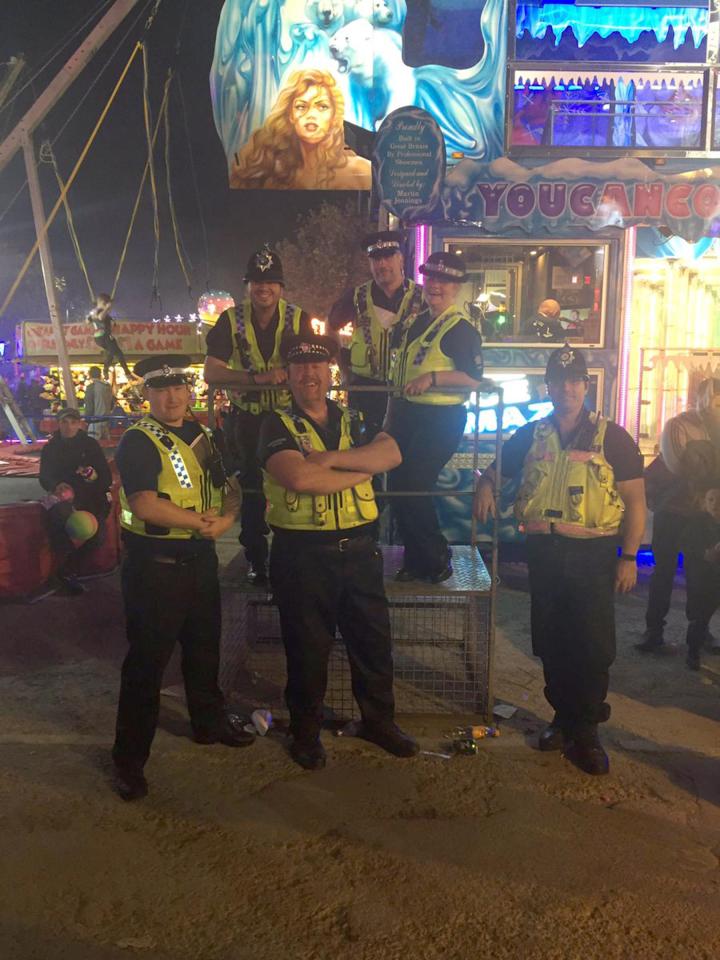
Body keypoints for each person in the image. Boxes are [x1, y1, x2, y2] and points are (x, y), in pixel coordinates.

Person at [474, 346, 646, 776]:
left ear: (585, 387)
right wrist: (485, 485)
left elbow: (637, 503)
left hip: (594, 555)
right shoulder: (531, 434)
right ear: (547, 387)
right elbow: (498, 469)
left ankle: (586, 731)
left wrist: (629, 557)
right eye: (558, 382)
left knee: (592, 645)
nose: (567, 389)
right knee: (551, 640)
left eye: (575, 382)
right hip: (546, 554)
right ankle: (561, 719)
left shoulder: (613, 437)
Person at [258, 332, 418, 771]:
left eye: (317, 365)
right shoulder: (275, 425)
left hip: (362, 550)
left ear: (331, 371)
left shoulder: (354, 418)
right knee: (307, 649)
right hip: (304, 556)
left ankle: (378, 722)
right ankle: (305, 734)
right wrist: (359, 469)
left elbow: (392, 453)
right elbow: (301, 480)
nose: (310, 374)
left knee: (373, 643)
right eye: (300, 367)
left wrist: (328, 460)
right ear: (287, 376)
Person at [112, 355, 253, 802]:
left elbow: (229, 487)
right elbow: (145, 502)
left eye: (179, 389)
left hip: (200, 561)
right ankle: (129, 761)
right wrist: (200, 524)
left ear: (189, 392)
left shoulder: (204, 434)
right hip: (155, 568)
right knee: (146, 666)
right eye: (161, 390)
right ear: (147, 395)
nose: (171, 398)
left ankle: (208, 725)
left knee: (204, 652)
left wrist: (227, 520)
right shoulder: (137, 441)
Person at [204, 246, 313, 585]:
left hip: (287, 419)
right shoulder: (229, 320)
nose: (263, 288)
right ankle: (257, 561)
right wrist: (256, 380)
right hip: (246, 421)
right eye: (256, 282)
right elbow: (211, 373)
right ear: (247, 286)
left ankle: (293, 555)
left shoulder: (299, 318)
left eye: (270, 281)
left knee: (292, 485)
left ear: (281, 287)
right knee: (251, 490)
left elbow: (311, 367)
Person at [385, 251, 484, 583]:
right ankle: (416, 560)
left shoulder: (461, 329)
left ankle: (436, 554)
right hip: (409, 416)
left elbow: (473, 379)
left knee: (413, 484)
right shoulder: (421, 321)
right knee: (399, 486)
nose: (436, 286)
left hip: (441, 419)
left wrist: (433, 379)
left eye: (444, 281)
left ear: (457, 287)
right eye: (432, 279)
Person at [637, 378, 720, 654]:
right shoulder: (679, 425)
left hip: (702, 516)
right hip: (673, 511)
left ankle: (699, 630)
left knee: (702, 575)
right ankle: (654, 629)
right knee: (664, 572)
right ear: (703, 398)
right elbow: (682, 467)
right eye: (715, 399)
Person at [328, 230, 424, 439]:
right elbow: (331, 326)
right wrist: (344, 370)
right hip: (365, 390)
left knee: (404, 450)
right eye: (375, 259)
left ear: (400, 259)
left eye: (388, 257)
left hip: (406, 390)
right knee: (363, 449)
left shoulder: (421, 297)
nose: (382, 265)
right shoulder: (356, 296)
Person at [230, 69, 370, 190]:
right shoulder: (269, 167)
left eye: (322, 106)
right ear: (290, 115)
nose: (311, 115)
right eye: (301, 106)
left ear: (334, 115)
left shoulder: (361, 171)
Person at [39, 407, 113, 595]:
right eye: (65, 421)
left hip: (90, 497)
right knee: (58, 520)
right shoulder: (50, 448)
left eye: (73, 422)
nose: (69, 426)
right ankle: (59, 572)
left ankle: (69, 569)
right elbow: (44, 476)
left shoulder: (91, 445)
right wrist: (57, 484)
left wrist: (91, 475)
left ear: (80, 424)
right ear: (59, 423)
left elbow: (105, 478)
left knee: (97, 536)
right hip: (62, 499)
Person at [682, 480, 720, 671]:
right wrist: (705, 553)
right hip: (702, 577)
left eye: (718, 500)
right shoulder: (697, 523)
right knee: (700, 615)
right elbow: (689, 546)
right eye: (711, 500)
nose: (715, 504)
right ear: (704, 502)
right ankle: (693, 651)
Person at [87, 293, 133, 381]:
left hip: (104, 337)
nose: (107, 307)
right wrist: (106, 309)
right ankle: (106, 369)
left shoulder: (95, 312)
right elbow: (100, 318)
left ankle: (126, 372)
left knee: (118, 353)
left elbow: (88, 321)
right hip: (103, 336)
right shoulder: (98, 311)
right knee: (113, 352)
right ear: (101, 302)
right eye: (105, 304)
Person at [83, 366, 114, 441]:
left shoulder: (91, 387)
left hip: (95, 421)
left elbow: (89, 406)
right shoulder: (108, 386)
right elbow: (112, 403)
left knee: (92, 444)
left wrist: (87, 420)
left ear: (90, 375)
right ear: (100, 374)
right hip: (107, 420)